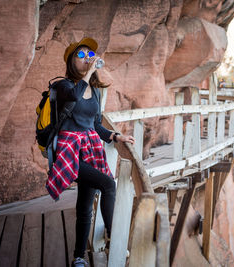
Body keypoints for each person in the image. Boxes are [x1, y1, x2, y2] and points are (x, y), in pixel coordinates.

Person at [45, 37, 135, 267]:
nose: (88, 59)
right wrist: (88, 74)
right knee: (107, 183)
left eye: (90, 55)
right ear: (71, 62)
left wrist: (115, 137)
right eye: (81, 55)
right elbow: (75, 96)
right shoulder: (63, 86)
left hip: (90, 149)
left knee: (85, 206)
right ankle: (114, 235)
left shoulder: (94, 92)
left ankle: (78, 256)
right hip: (69, 150)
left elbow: (95, 124)